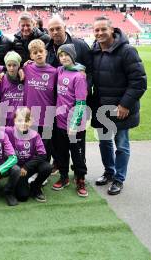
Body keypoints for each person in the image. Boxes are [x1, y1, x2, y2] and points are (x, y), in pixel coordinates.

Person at [91, 17, 147, 195]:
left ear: (112, 30)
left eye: (103, 30)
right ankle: (109, 172)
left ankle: (119, 178)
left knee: (121, 145)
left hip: (121, 109)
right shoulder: (94, 50)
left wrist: (125, 105)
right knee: (104, 143)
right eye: (96, 30)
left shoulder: (127, 51)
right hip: (102, 109)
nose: (99, 33)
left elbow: (139, 81)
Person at [51, 44, 89, 198]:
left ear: (73, 56)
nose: (64, 58)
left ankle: (80, 179)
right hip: (60, 122)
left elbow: (81, 103)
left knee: (77, 154)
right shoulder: (60, 70)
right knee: (61, 152)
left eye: (67, 55)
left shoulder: (79, 76)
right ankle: (64, 176)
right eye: (61, 55)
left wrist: (74, 124)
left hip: (75, 125)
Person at [6, 108, 52, 203]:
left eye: (26, 120)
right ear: (14, 120)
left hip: (28, 167)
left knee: (47, 167)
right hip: (16, 168)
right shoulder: (9, 131)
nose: (23, 123)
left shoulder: (34, 135)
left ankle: (36, 187)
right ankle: (17, 183)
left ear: (30, 122)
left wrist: (27, 166)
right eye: (19, 120)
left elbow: (42, 155)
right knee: (23, 197)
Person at [23, 39, 58, 162]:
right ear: (31, 55)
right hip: (30, 114)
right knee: (32, 143)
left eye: (40, 51)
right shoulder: (26, 68)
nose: (38, 54)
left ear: (46, 52)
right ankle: (33, 170)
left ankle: (44, 171)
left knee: (45, 145)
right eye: (35, 52)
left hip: (47, 114)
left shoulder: (54, 72)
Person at [0, 51, 24, 127]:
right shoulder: (1, 79)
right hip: (5, 118)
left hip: (21, 120)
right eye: (9, 65)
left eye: (14, 65)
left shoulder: (24, 78)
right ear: (6, 66)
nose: (11, 68)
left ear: (18, 66)